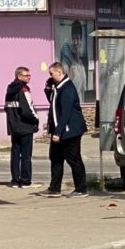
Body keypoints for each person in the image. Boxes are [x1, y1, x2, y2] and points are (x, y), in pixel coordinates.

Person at [39, 62, 88, 198]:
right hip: (59, 130)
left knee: (74, 159)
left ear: (59, 73)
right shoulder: (57, 88)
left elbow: (65, 113)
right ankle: (54, 188)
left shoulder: (67, 89)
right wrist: (48, 88)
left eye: (51, 74)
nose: (50, 76)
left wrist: (58, 132)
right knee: (55, 158)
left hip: (69, 131)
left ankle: (81, 188)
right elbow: (53, 103)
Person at [4, 66, 40, 188]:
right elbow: (27, 110)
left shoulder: (9, 90)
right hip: (25, 126)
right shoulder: (23, 90)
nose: (29, 77)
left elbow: (7, 108)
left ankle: (15, 180)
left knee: (15, 154)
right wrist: (35, 120)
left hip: (14, 127)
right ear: (19, 76)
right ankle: (25, 181)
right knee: (26, 155)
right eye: (26, 75)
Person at [59, 20, 87, 101]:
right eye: (73, 38)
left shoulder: (81, 64)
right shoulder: (66, 65)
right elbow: (62, 88)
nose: (75, 42)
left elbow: (83, 90)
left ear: (81, 41)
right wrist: (70, 77)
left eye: (78, 39)